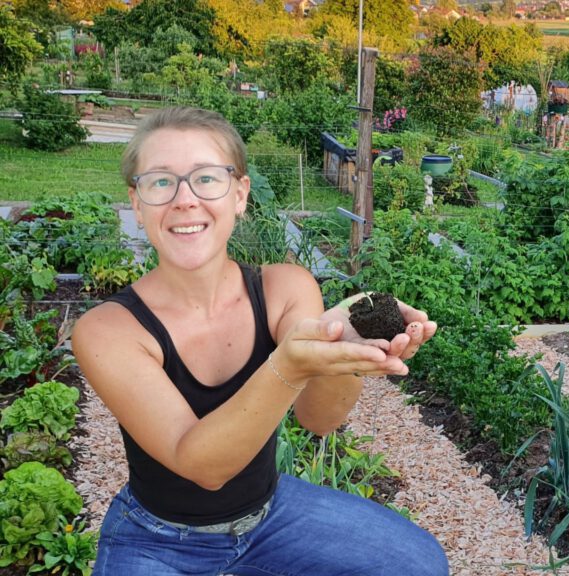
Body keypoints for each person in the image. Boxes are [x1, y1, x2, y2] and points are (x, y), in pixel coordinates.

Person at [71, 107, 449, 576]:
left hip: (272, 516)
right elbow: (205, 468)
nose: (185, 199)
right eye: (161, 182)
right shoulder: (109, 329)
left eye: (207, 178)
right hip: (158, 540)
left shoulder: (284, 288)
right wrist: (287, 367)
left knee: (419, 564)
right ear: (137, 202)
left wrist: (347, 348)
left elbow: (320, 418)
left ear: (240, 194)